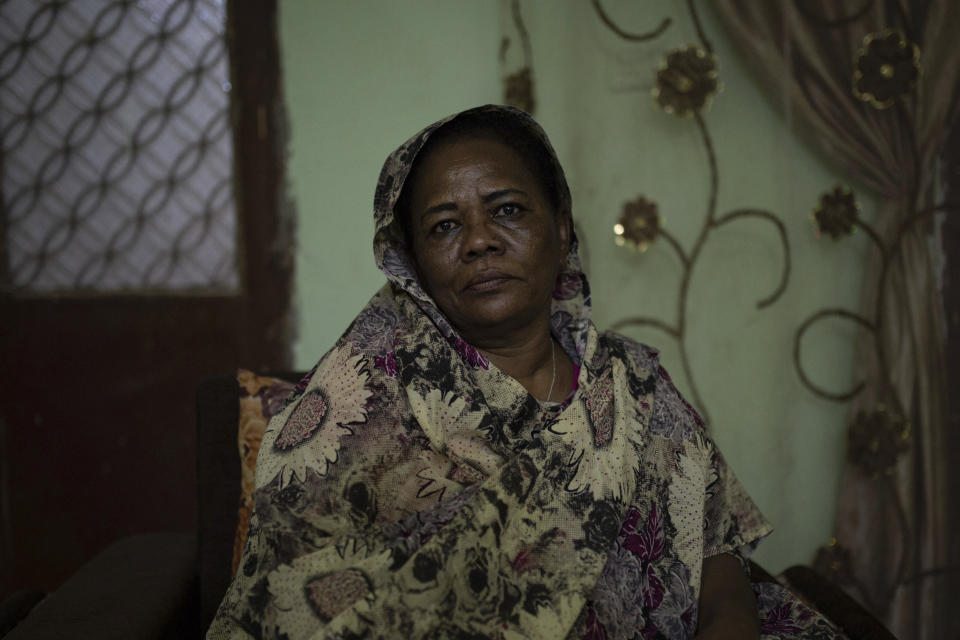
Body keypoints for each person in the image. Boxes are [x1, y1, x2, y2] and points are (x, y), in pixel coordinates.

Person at [208, 106, 846, 639]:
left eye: (507, 210)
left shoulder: (632, 384)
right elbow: (293, 605)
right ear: (414, 265)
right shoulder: (361, 404)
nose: (479, 240)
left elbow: (718, 569)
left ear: (562, 229)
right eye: (445, 226)